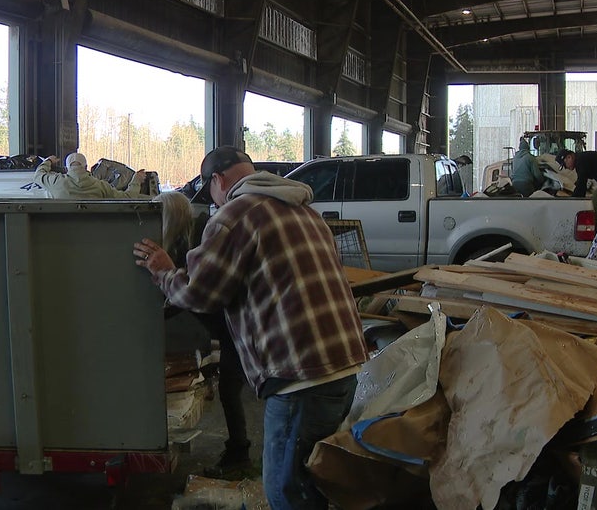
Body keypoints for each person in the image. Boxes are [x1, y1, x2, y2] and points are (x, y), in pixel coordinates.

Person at [134, 146, 367, 509]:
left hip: (300, 375)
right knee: (316, 482)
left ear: (218, 180)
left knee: (285, 493)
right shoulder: (305, 212)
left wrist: (162, 269)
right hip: (346, 365)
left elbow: (199, 291)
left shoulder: (236, 215)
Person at [154, 191, 252, 478]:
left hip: (236, 329)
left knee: (232, 391)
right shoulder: (192, 241)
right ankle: (239, 451)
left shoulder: (190, 249)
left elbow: (189, 294)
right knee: (231, 390)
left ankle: (239, 455)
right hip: (232, 328)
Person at [34, 152, 147, 199]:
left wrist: (48, 161)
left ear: (67, 168)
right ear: (86, 167)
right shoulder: (101, 186)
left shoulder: (56, 182)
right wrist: (136, 180)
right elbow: (128, 198)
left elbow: (38, 175)